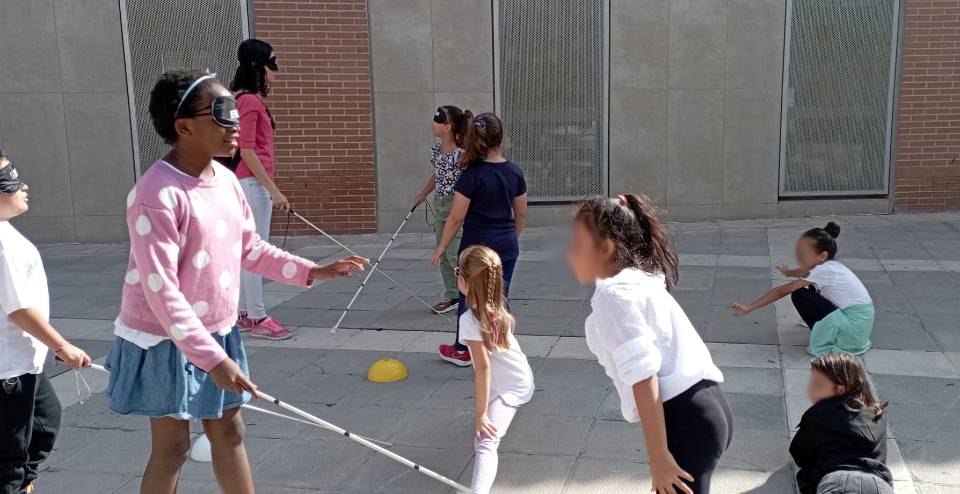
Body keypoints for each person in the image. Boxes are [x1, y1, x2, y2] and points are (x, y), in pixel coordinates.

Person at [107, 69, 365, 493]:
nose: (235, 125)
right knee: (173, 448)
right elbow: (161, 291)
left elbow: (251, 249)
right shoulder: (156, 194)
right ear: (184, 127)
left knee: (230, 432)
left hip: (218, 331)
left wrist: (312, 270)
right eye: (221, 114)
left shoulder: (227, 181)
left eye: (235, 114)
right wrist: (212, 360)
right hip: (165, 338)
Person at [566, 194, 732, 494]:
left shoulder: (614, 296)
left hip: (686, 420)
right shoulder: (641, 280)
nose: (570, 253)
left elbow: (644, 375)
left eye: (578, 244)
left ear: (606, 248)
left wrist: (658, 459)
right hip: (708, 407)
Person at [0, 152, 92, 494]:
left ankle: (22, 481)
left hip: (23, 361)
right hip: (10, 370)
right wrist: (62, 345)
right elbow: (19, 308)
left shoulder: (5, 232)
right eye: (11, 180)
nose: (23, 185)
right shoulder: (2, 244)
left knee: (45, 423)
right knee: (9, 460)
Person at [431, 113, 528, 366]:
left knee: (468, 297)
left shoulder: (471, 175)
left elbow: (456, 217)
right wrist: (512, 236)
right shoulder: (514, 171)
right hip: (506, 244)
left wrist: (442, 246)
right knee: (499, 296)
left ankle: (463, 350)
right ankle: (497, 345)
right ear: (500, 137)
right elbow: (521, 213)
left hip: (476, 246)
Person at [456, 245, 534, 494]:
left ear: (465, 281)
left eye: (457, 271)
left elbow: (483, 369)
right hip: (516, 378)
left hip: (510, 388)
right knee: (484, 428)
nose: (456, 275)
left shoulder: (469, 320)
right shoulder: (497, 307)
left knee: (485, 441)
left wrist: (480, 415)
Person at [229, 38, 293, 340]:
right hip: (252, 184)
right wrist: (274, 190)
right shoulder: (249, 101)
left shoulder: (246, 99)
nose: (276, 69)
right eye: (272, 62)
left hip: (251, 183)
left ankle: (244, 313)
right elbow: (247, 150)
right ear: (258, 66)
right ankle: (257, 316)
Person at [730, 222, 874, 356]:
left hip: (850, 333)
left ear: (822, 255)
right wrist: (788, 273)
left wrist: (749, 307)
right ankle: (824, 326)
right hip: (859, 328)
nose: (800, 257)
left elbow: (782, 291)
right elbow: (805, 272)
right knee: (811, 287)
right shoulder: (831, 266)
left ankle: (825, 332)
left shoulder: (822, 271)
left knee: (799, 293)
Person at [790, 352, 892, 494]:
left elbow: (799, 453)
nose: (809, 390)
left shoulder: (819, 413)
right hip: (879, 483)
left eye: (817, 385)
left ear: (839, 389)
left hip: (838, 481)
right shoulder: (877, 414)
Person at [413, 106, 470, 315]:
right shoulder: (437, 151)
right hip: (440, 205)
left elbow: (470, 181)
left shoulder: (461, 154)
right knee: (443, 253)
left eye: (438, 120)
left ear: (448, 127)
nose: (433, 123)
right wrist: (423, 193)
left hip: (457, 206)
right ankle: (452, 295)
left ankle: (471, 295)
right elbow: (438, 175)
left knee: (455, 254)